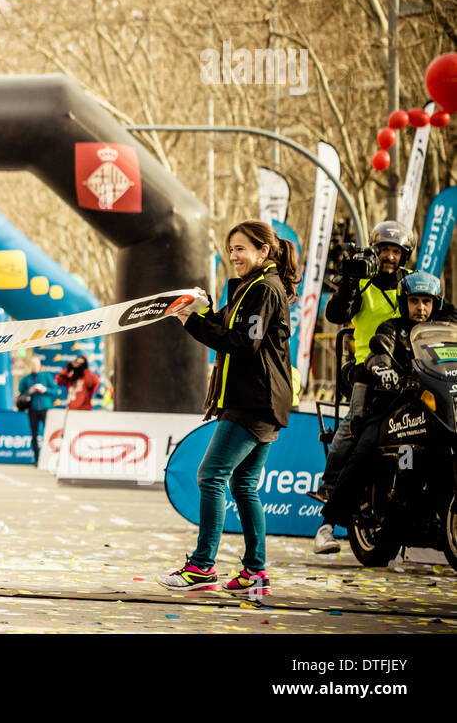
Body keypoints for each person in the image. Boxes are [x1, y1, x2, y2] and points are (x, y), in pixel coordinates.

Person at [156, 219, 299, 597]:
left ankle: (202, 566)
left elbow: (242, 343)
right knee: (243, 483)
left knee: (211, 475)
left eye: (241, 249)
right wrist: (198, 309)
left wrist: (191, 324)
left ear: (263, 252)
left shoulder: (265, 288)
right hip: (259, 399)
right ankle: (255, 572)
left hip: (255, 401)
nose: (234, 255)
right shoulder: (248, 287)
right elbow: (223, 323)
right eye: (231, 249)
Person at [315, 271, 448, 553]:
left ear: (436, 303)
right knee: (366, 449)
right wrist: (382, 368)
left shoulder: (444, 332)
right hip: (392, 405)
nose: (421, 308)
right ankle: (327, 525)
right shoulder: (392, 328)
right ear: (404, 302)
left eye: (426, 301)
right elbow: (379, 352)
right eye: (414, 301)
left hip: (432, 408)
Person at [313, 221, 414, 507]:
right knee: (351, 427)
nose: (389, 257)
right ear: (375, 251)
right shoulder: (362, 283)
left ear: (403, 255)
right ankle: (329, 484)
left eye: (396, 251)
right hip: (365, 369)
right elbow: (334, 315)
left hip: (408, 368)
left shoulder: (412, 283)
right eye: (384, 250)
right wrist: (348, 283)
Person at [18, 356, 59, 460]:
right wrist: (29, 391)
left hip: (46, 409)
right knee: (34, 434)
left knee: (48, 433)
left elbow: (55, 390)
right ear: (30, 365)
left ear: (40, 365)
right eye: (32, 364)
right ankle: (37, 458)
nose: (34, 366)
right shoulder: (26, 379)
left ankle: (48, 457)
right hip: (33, 410)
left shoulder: (46, 376)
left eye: (36, 364)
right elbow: (21, 393)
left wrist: (45, 390)